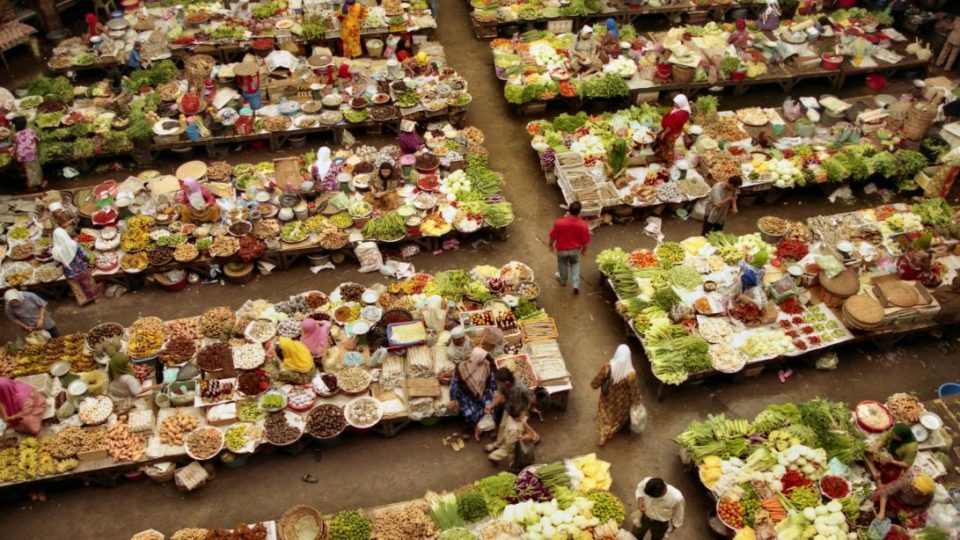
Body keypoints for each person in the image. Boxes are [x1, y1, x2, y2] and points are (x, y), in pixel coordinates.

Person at [590, 344, 642, 446]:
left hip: (608, 398)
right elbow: (634, 391)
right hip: (623, 403)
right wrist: (637, 402)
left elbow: (596, 381)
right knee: (620, 417)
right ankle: (619, 427)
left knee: (606, 416)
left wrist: (594, 385)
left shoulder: (607, 368)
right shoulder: (631, 374)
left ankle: (603, 436)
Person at [448, 347, 497, 441]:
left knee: (489, 405)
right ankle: (469, 427)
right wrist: (453, 398)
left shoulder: (486, 365)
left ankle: (487, 426)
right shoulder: (461, 368)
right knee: (468, 412)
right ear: (476, 358)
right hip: (466, 394)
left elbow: (492, 381)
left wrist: (495, 390)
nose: (484, 361)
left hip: (483, 392)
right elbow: (454, 383)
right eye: (482, 359)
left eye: (484, 358)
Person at [52, 228, 104, 306]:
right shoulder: (74, 244)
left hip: (69, 273)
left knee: (77, 287)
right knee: (89, 284)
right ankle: (95, 298)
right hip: (82, 269)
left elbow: (57, 264)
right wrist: (88, 262)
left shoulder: (55, 250)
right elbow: (84, 256)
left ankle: (83, 301)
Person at [549, 201, 591, 294]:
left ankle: (563, 281)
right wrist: (584, 250)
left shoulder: (559, 222)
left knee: (562, 264)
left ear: (569, 210)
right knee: (575, 264)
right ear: (579, 212)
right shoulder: (583, 225)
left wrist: (550, 245)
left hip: (562, 250)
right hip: (575, 251)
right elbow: (585, 240)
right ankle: (575, 284)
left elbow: (553, 236)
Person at [485, 399, 539, 469]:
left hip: (508, 436)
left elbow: (523, 423)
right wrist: (524, 437)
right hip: (511, 442)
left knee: (504, 449)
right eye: (522, 414)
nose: (524, 413)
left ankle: (493, 456)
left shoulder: (511, 417)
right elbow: (515, 439)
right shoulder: (514, 429)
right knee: (511, 454)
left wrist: (531, 433)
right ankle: (512, 466)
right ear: (517, 418)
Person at [870, 470, 936, 522]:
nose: (916, 492)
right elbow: (885, 492)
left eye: (920, 493)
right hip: (893, 497)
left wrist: (913, 513)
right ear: (914, 483)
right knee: (876, 496)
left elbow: (924, 506)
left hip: (905, 506)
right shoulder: (905, 482)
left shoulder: (929, 495)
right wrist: (882, 512)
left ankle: (890, 517)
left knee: (897, 518)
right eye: (915, 489)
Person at [657, 94, 691, 163]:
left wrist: (664, 133)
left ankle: (669, 161)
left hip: (672, 133)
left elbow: (671, 125)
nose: (674, 104)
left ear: (681, 103)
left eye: (676, 103)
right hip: (671, 131)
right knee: (666, 144)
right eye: (675, 102)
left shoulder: (681, 114)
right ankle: (663, 155)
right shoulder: (680, 109)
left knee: (669, 146)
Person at [12, 116, 43, 191]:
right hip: (31, 153)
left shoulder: (16, 135)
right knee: (35, 167)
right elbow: (37, 140)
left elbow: (16, 145)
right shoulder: (31, 131)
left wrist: (15, 154)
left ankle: (32, 186)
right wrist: (35, 147)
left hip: (23, 155)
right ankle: (39, 181)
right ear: (25, 124)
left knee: (29, 170)